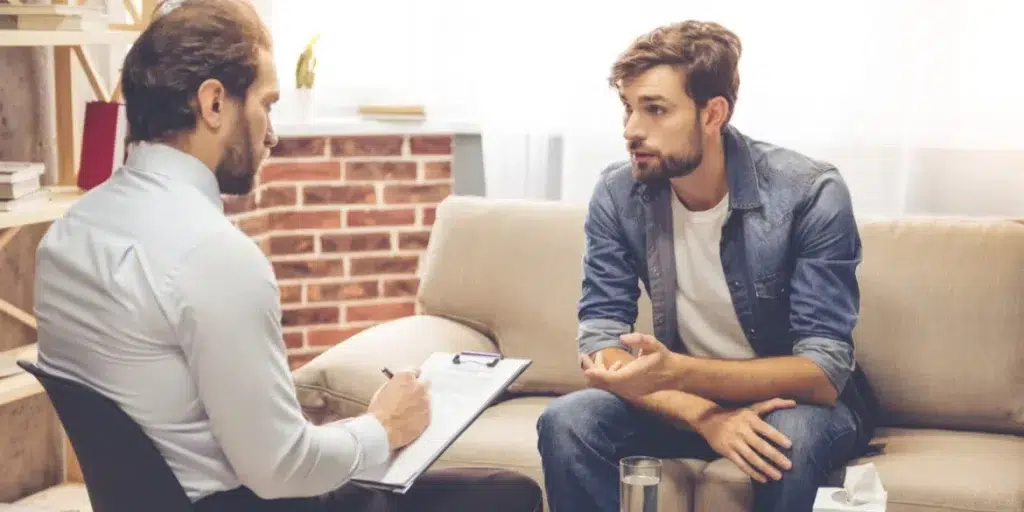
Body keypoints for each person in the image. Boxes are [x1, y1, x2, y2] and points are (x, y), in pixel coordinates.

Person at [32, 1, 542, 511]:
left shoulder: (66, 236)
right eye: (267, 105)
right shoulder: (213, 256)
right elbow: (280, 470)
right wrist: (384, 427)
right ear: (213, 104)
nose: (272, 133)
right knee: (506, 494)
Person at [536, 20, 879, 512]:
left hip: (795, 405)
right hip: (679, 400)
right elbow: (600, 342)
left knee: (790, 436)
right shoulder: (617, 193)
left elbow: (823, 371)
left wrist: (676, 371)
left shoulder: (810, 192)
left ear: (712, 113)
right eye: (629, 108)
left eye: (655, 109)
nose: (632, 130)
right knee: (568, 420)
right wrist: (703, 415)